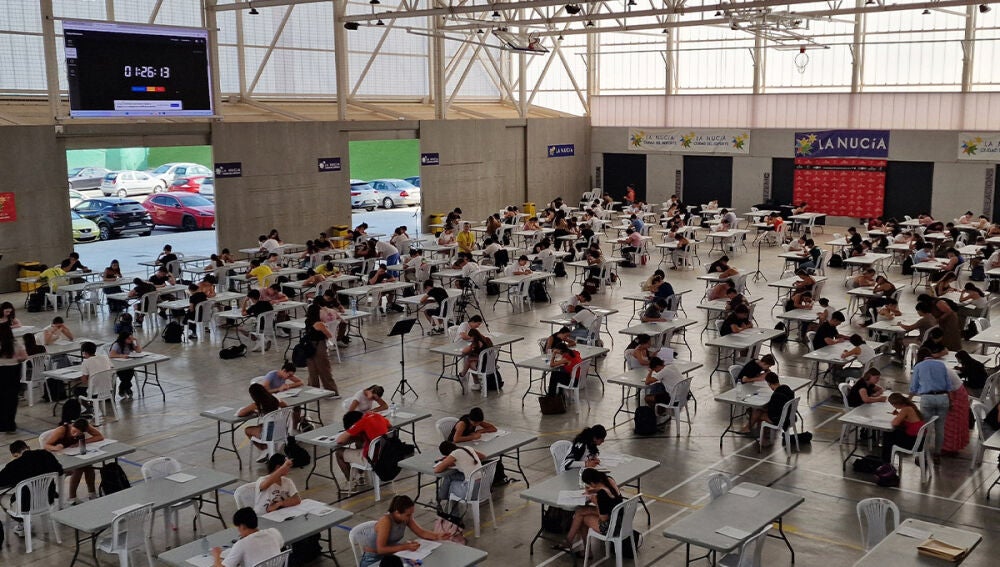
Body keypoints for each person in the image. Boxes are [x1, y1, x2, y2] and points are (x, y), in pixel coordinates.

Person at [357, 495, 446, 567]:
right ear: (397, 512)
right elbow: (381, 549)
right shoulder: (386, 521)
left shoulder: (406, 517)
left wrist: (438, 536)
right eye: (408, 514)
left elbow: (421, 532)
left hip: (392, 555)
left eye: (411, 514)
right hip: (374, 559)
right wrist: (406, 546)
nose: (410, 517)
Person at [0, 440, 63, 536]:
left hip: (26, 504)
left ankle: (22, 523)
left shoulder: (14, 465)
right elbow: (60, 471)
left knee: (1, 497)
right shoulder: (46, 454)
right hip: (47, 499)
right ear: (28, 447)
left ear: (15, 455)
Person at [556, 467, 624, 556]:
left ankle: (585, 551)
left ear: (591, 483)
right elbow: (611, 498)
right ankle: (569, 540)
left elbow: (603, 518)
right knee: (580, 510)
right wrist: (595, 490)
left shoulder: (602, 495)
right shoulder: (609, 480)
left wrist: (596, 503)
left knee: (582, 518)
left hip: (612, 526)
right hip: (620, 518)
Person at [909, 348, 955, 463]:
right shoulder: (941, 365)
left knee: (925, 428)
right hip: (943, 398)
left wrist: (908, 399)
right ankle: (937, 454)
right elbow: (948, 386)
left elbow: (914, 387)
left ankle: (923, 454)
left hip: (927, 398)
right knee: (940, 428)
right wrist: (951, 401)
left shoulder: (918, 366)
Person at [43, 418, 103, 503]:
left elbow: (99, 436)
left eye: (78, 434)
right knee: (79, 468)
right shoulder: (61, 430)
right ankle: (72, 497)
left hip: (72, 454)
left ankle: (92, 493)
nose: (75, 435)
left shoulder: (85, 426)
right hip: (59, 457)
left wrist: (83, 441)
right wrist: (55, 448)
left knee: (88, 465)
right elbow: (46, 445)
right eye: (74, 431)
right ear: (72, 425)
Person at [211, 507, 284, 567]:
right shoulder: (273, 532)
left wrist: (216, 556)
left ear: (243, 526)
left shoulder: (241, 544)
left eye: (238, 527)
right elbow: (279, 546)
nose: (238, 531)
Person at [334, 410, 391, 483]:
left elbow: (339, 440)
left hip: (372, 459)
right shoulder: (378, 416)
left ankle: (350, 482)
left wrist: (351, 430)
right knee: (359, 443)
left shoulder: (361, 423)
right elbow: (390, 426)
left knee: (338, 453)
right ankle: (361, 474)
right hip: (386, 455)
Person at [237, 383, 290, 456]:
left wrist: (253, 411)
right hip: (281, 430)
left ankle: (264, 449)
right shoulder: (275, 399)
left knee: (247, 430)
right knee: (261, 425)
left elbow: (240, 413)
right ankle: (269, 449)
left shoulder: (256, 404)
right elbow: (286, 406)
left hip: (269, 434)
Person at [303, 297, 338, 395]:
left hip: (309, 347)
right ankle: (332, 391)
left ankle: (313, 391)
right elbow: (329, 335)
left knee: (312, 371)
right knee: (324, 370)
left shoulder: (307, 321)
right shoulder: (319, 324)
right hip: (319, 346)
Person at [745, 372, 795, 439]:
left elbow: (771, 413)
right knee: (759, 410)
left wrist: (763, 409)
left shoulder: (776, 395)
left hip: (780, 419)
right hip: (790, 416)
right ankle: (760, 432)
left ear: (769, 383)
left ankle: (749, 429)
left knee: (756, 411)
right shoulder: (787, 388)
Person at [881, 393, 927, 464]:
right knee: (892, 433)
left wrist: (898, 417)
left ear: (895, 404)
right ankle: (885, 459)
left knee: (887, 434)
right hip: (919, 441)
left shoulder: (906, 409)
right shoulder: (911, 407)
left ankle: (885, 461)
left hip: (913, 443)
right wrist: (899, 415)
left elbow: (895, 423)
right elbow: (908, 419)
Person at [0, 324, 23, 434]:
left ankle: (2, 423)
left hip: (1, 371)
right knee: (12, 399)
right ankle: (10, 424)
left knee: (2, 398)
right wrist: (15, 359)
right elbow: (24, 356)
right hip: (14, 371)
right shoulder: (15, 343)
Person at [108, 330, 141, 399]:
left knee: (131, 372)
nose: (130, 340)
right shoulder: (117, 344)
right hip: (118, 365)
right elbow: (111, 355)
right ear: (124, 339)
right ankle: (127, 388)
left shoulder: (130, 344)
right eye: (129, 339)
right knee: (125, 375)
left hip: (128, 364)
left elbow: (139, 351)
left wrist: (136, 341)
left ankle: (122, 387)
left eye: (131, 338)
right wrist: (121, 356)